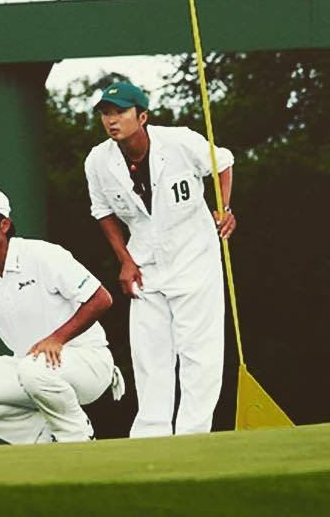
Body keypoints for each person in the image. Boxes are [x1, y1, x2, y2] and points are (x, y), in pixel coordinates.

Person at [84, 82, 237, 437]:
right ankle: (151, 435)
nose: (112, 120)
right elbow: (102, 211)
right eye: (106, 113)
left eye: (120, 112)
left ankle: (192, 435)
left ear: (142, 116)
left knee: (199, 353)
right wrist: (124, 260)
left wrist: (224, 207)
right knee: (149, 353)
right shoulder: (98, 161)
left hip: (194, 257)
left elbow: (224, 162)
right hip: (145, 262)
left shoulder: (180, 141)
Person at [0, 186, 123, 444]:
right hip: (29, 367)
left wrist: (57, 338)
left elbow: (101, 298)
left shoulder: (42, 254)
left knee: (33, 369)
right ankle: (44, 436)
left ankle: (77, 439)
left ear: (4, 225)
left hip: (87, 362)